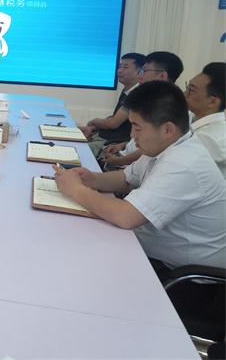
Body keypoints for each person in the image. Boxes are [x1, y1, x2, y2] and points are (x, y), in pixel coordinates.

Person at [53, 81, 225, 272]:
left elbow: (125, 216)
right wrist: (91, 179)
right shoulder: (165, 146)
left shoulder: (185, 163)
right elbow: (126, 179)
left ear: (167, 129)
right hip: (148, 248)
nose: (132, 134)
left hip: (179, 273)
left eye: (137, 127)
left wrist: (76, 189)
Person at [101, 51, 184, 169]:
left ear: (162, 75)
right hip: (124, 158)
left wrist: (120, 160)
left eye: (144, 71)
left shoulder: (169, 108)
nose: (140, 76)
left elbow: (151, 147)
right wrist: (123, 145)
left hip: (129, 165)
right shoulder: (148, 99)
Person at [80, 53, 145, 156]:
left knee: (74, 150)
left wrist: (94, 121)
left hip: (113, 143)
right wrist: (95, 127)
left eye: (125, 67)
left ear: (140, 72)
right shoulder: (127, 90)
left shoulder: (137, 94)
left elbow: (113, 124)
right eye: (120, 66)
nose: (119, 71)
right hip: (105, 136)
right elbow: (114, 117)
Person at [185, 62, 225, 177]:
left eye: (191, 90)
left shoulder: (207, 138)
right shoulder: (195, 121)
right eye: (187, 86)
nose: (184, 93)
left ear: (212, 102)